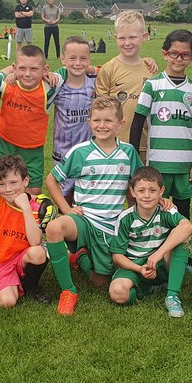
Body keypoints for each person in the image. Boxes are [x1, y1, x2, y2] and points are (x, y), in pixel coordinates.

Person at [44, 95, 142, 315]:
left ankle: (80, 258)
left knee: (100, 282)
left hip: (112, 225)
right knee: (54, 228)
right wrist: (67, 209)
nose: (102, 125)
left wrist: (140, 208)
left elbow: (138, 184)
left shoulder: (128, 153)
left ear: (120, 124)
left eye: (108, 121)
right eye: (97, 120)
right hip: (85, 220)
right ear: (89, 122)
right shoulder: (80, 152)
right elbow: (51, 179)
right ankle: (68, 291)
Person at [129, 28, 192, 229]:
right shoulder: (152, 86)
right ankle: (156, 246)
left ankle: (183, 248)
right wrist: (135, 157)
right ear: (165, 53)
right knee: (154, 209)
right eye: (174, 53)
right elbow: (137, 123)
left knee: (182, 209)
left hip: (184, 165)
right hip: (157, 164)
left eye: (185, 55)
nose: (179, 59)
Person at [108, 166, 192, 318]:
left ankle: (172, 296)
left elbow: (187, 226)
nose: (147, 195)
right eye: (141, 191)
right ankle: (145, 288)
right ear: (133, 192)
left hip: (160, 262)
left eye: (152, 190)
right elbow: (117, 257)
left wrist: (156, 256)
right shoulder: (125, 218)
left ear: (161, 191)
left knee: (182, 238)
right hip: (135, 265)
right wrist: (140, 269)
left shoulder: (166, 210)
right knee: (118, 293)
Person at [0, 154, 50, 308]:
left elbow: (35, 242)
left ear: (26, 180)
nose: (8, 189)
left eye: (14, 182)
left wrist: (26, 208)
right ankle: (7, 282)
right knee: (7, 302)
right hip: (0, 262)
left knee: (38, 252)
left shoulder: (37, 208)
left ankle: (30, 286)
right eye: (2, 184)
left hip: (22, 259)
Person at [0, 43, 57, 194]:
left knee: (32, 190)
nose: (27, 74)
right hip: (5, 142)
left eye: (34, 69)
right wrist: (7, 72)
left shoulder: (49, 89)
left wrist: (53, 75)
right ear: (15, 68)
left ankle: (28, 216)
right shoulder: (6, 85)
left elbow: (68, 73)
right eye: (22, 68)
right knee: (4, 184)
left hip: (32, 148)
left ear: (44, 69)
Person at [95, 10, 159, 156]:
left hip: (145, 145)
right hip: (115, 145)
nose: (127, 43)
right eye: (122, 38)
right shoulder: (108, 69)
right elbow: (101, 110)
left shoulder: (151, 69)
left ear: (144, 37)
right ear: (116, 37)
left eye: (133, 37)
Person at [50, 36, 99, 196]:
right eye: (72, 58)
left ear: (89, 60)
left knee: (87, 197)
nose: (78, 63)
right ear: (62, 58)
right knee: (64, 197)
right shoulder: (56, 84)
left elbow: (117, 69)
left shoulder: (96, 81)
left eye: (83, 58)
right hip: (63, 153)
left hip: (90, 152)